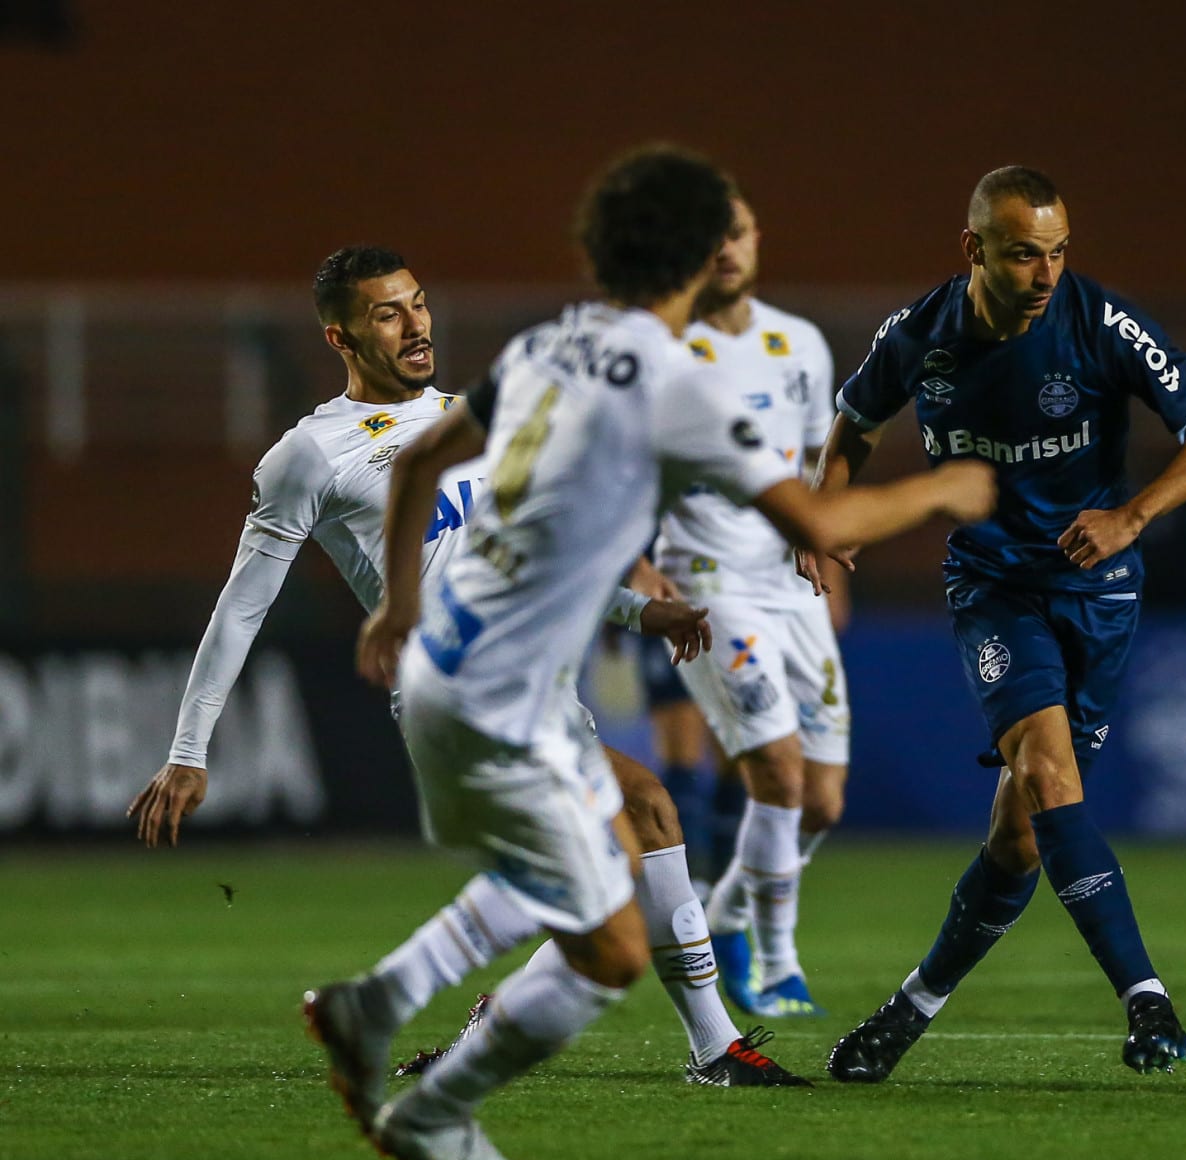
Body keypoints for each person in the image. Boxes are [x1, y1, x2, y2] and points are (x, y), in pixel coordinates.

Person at [318, 145, 993, 1160]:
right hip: (505, 693)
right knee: (610, 945)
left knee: (634, 831)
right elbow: (816, 517)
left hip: (461, 673)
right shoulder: (674, 383)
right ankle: (416, 1082)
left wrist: (399, 607)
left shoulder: (551, 343)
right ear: (688, 257)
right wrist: (941, 495)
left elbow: (419, 460)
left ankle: (395, 1021)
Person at [127, 244, 804, 1091]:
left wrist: (638, 610)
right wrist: (190, 748)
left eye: (417, 303)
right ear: (341, 337)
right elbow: (241, 606)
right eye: (387, 313)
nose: (416, 325)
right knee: (629, 831)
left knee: (632, 847)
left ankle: (516, 1026)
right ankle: (708, 1048)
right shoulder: (308, 454)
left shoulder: (471, 421)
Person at [816, 165, 1186, 1082]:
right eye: (1024, 254)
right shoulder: (920, 334)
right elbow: (852, 424)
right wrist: (827, 525)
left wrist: (1131, 516)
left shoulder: (1102, 325)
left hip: (1098, 594)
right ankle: (1148, 1000)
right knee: (1049, 778)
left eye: (1057, 253)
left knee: (1020, 832)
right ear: (972, 249)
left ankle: (908, 1010)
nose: (1047, 273)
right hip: (992, 589)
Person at [656, 187, 849, 1017]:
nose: (724, 249)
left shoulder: (800, 343)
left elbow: (815, 470)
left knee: (825, 801)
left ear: (756, 239)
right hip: (707, 583)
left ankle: (727, 915)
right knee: (777, 769)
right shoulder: (661, 352)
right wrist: (636, 569)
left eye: (735, 232)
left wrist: (828, 548)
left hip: (790, 585)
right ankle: (776, 962)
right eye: (707, 237)